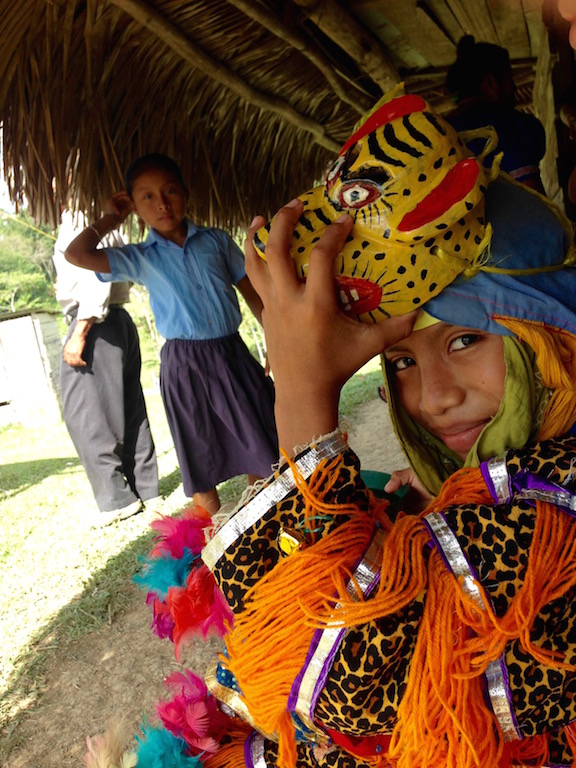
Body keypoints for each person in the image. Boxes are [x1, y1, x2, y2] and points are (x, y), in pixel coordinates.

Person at [105, 88, 576, 768]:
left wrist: (300, 395)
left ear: (552, 341)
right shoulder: (495, 486)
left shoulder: (554, 514)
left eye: (468, 339)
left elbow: (328, 683)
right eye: (404, 361)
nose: (433, 397)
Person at [64, 154, 278, 516]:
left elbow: (254, 295)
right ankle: (214, 537)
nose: (162, 203)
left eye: (170, 191)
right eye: (146, 197)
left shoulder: (216, 241)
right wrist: (111, 218)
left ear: (185, 193)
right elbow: (77, 254)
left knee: (259, 441)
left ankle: (266, 521)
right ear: (133, 205)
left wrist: (275, 340)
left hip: (232, 354)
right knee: (201, 452)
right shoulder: (140, 257)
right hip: (184, 365)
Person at [53, 208, 160, 527]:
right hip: (118, 319)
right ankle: (146, 488)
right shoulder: (104, 216)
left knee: (85, 413)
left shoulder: (79, 216)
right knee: (130, 407)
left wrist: (81, 331)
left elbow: (94, 277)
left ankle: (116, 499)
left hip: (94, 321)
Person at [445, 35, 546, 193]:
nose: (514, 88)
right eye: (509, 78)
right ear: (491, 83)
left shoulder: (441, 131)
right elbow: (536, 202)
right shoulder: (511, 127)